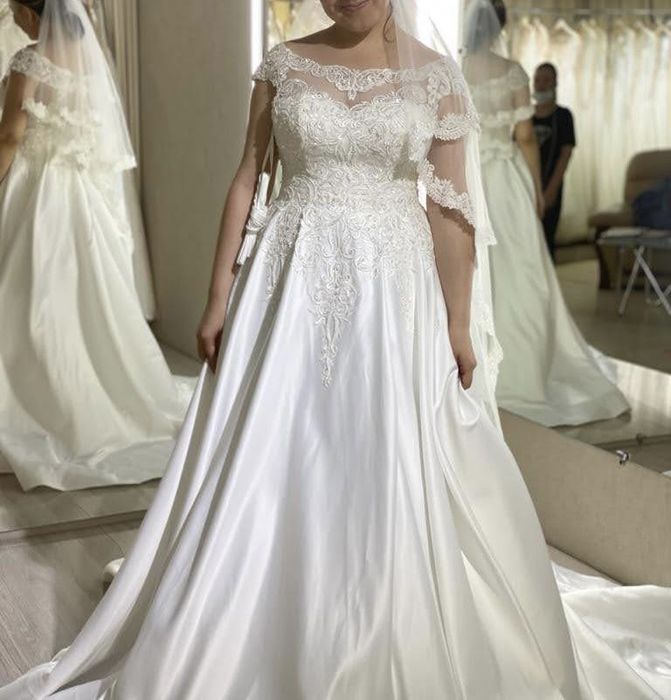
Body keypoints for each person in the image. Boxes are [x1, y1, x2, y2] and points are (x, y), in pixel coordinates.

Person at [1, 1, 669, 698]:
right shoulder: (283, 64)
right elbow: (248, 176)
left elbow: (450, 211)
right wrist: (217, 295)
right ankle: (255, 598)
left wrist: (458, 323)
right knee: (277, 445)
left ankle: (378, 610)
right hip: (286, 285)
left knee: (382, 448)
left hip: (394, 296)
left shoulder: (436, 76)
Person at [0, 0, 192, 490]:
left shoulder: (28, 60)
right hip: (81, 194)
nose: (12, 16)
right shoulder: (90, 62)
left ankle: (40, 400)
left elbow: (11, 135)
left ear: (31, 13)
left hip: (35, 190)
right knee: (79, 300)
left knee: (28, 297)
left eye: (14, 8)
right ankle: (86, 396)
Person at [462, 0, 629, 427]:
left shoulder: (452, 67)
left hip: (467, 179)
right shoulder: (512, 72)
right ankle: (525, 364)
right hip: (505, 180)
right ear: (501, 28)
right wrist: (537, 191)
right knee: (521, 272)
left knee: (473, 270)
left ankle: (470, 363)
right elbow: (526, 138)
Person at [532, 61, 576, 260]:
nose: (541, 85)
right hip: (526, 186)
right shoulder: (526, 116)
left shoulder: (563, 116)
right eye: (537, 80)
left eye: (546, 80)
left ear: (555, 83)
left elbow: (566, 154)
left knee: (546, 240)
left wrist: (551, 190)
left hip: (550, 185)